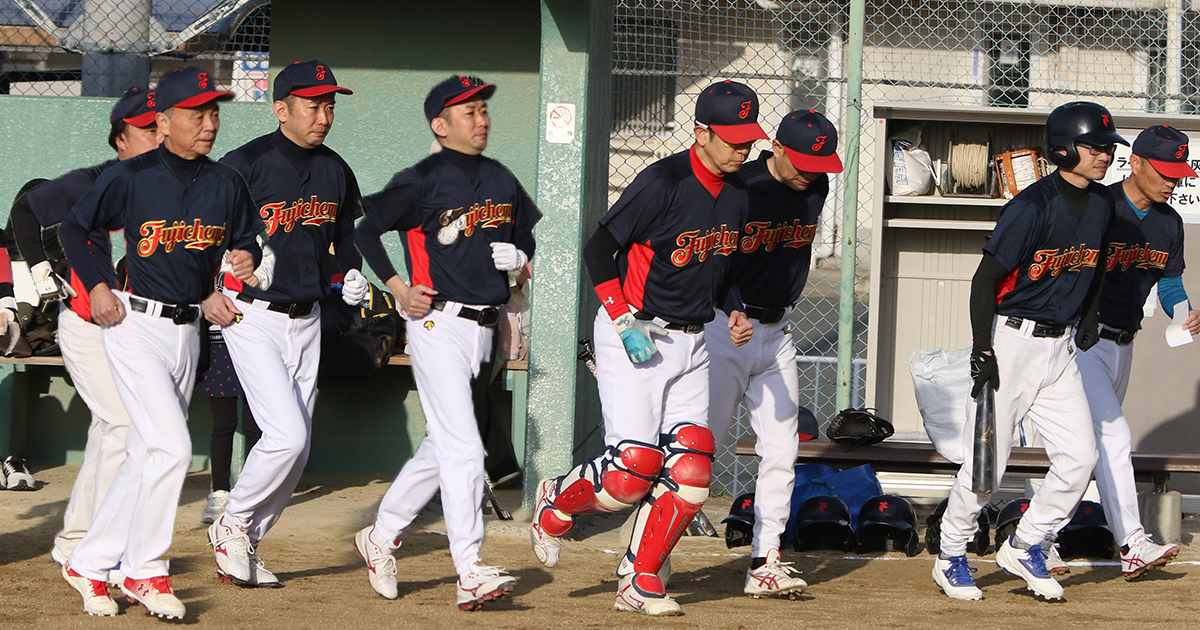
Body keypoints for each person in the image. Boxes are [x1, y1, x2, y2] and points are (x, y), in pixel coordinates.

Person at [530, 80, 760, 616]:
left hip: (694, 341)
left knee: (693, 469)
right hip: (637, 332)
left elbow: (720, 268)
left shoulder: (739, 191)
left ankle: (640, 580)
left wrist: (736, 306)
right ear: (701, 133)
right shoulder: (662, 181)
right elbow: (598, 249)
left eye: (747, 140)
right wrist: (621, 319)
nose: (740, 150)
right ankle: (553, 500)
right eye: (730, 139)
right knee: (631, 471)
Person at [59, 66, 262, 619]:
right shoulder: (132, 176)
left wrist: (235, 274)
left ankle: (88, 561)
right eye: (197, 113)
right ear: (164, 120)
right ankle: (145, 571)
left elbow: (246, 248)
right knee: (172, 448)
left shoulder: (226, 182)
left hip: (189, 329)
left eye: (215, 111)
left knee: (145, 453)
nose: (209, 122)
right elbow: (73, 229)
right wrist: (98, 283)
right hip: (135, 325)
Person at [351, 74, 541, 610]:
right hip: (437, 322)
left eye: (483, 110)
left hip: (486, 327)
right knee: (464, 447)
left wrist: (521, 263)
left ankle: (380, 535)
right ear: (440, 125)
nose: (481, 120)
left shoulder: (500, 178)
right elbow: (366, 230)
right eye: (469, 112)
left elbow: (523, 234)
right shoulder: (421, 181)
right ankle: (470, 568)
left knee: (442, 446)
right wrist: (397, 288)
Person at [934, 101, 1122, 602]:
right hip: (1012, 341)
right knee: (987, 464)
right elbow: (985, 280)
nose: (1105, 155)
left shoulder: (1102, 205)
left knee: (1080, 456)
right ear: (1063, 148)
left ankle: (1026, 543)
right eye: (1096, 147)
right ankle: (951, 553)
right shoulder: (1031, 207)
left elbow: (1098, 268)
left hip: (1060, 349)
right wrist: (981, 347)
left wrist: (1089, 316)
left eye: (1108, 148)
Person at [206, 60, 366, 588]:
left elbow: (345, 238)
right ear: (282, 109)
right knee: (286, 435)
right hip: (252, 316)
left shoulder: (336, 169)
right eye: (314, 104)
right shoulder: (244, 164)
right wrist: (207, 291)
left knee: (298, 450)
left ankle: (247, 540)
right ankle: (230, 522)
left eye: (330, 105)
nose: (324, 115)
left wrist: (350, 275)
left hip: (309, 319)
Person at [8, 87, 160, 558]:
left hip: (143, 328)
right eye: (148, 129)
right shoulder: (94, 182)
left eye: (165, 125)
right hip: (87, 327)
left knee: (109, 428)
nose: (160, 135)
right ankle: (86, 542)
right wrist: (37, 267)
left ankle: (78, 537)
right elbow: (25, 210)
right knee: (121, 423)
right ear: (120, 139)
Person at [708, 109, 843, 598]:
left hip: (777, 331)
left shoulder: (815, 186)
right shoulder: (739, 186)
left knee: (783, 450)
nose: (812, 170)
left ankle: (766, 561)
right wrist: (730, 308)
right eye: (804, 159)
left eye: (821, 161)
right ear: (778, 148)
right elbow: (711, 259)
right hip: (723, 329)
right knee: (698, 451)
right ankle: (646, 560)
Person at [1073, 124, 1198, 579]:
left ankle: (1035, 540)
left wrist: (1182, 313)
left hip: (1123, 343)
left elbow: (1169, 282)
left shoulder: (1169, 222)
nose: (1173, 181)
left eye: (1178, 172)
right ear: (1136, 162)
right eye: (1164, 171)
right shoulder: (1098, 206)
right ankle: (1133, 541)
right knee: (1113, 438)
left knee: (1087, 450)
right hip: (1080, 340)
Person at [197, 319, 261, 524]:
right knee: (223, 424)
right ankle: (219, 491)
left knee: (256, 426)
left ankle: (252, 494)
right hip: (218, 345)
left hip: (255, 343)